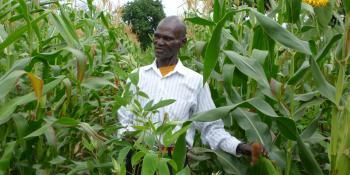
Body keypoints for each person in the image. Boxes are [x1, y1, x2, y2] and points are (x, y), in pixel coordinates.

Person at [117, 16, 267, 173]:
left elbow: (211, 128)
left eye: (167, 38)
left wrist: (240, 147)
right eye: (157, 36)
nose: (160, 42)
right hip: (136, 159)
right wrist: (129, 137)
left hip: (173, 163)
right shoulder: (137, 76)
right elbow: (124, 120)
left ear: (183, 42)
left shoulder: (195, 82)